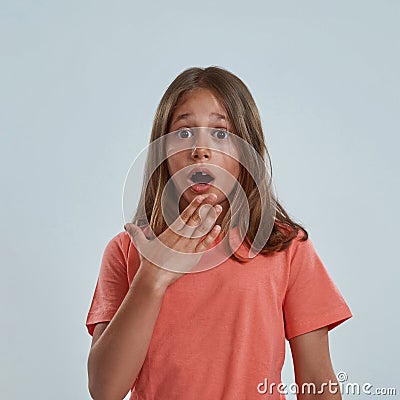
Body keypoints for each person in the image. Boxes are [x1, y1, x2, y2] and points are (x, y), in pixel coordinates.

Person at [86, 66, 352, 400]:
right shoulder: (126, 250)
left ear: (248, 151)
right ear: (161, 154)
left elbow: (317, 383)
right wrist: (151, 278)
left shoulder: (286, 248)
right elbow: (104, 390)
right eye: (183, 133)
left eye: (221, 133)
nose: (201, 149)